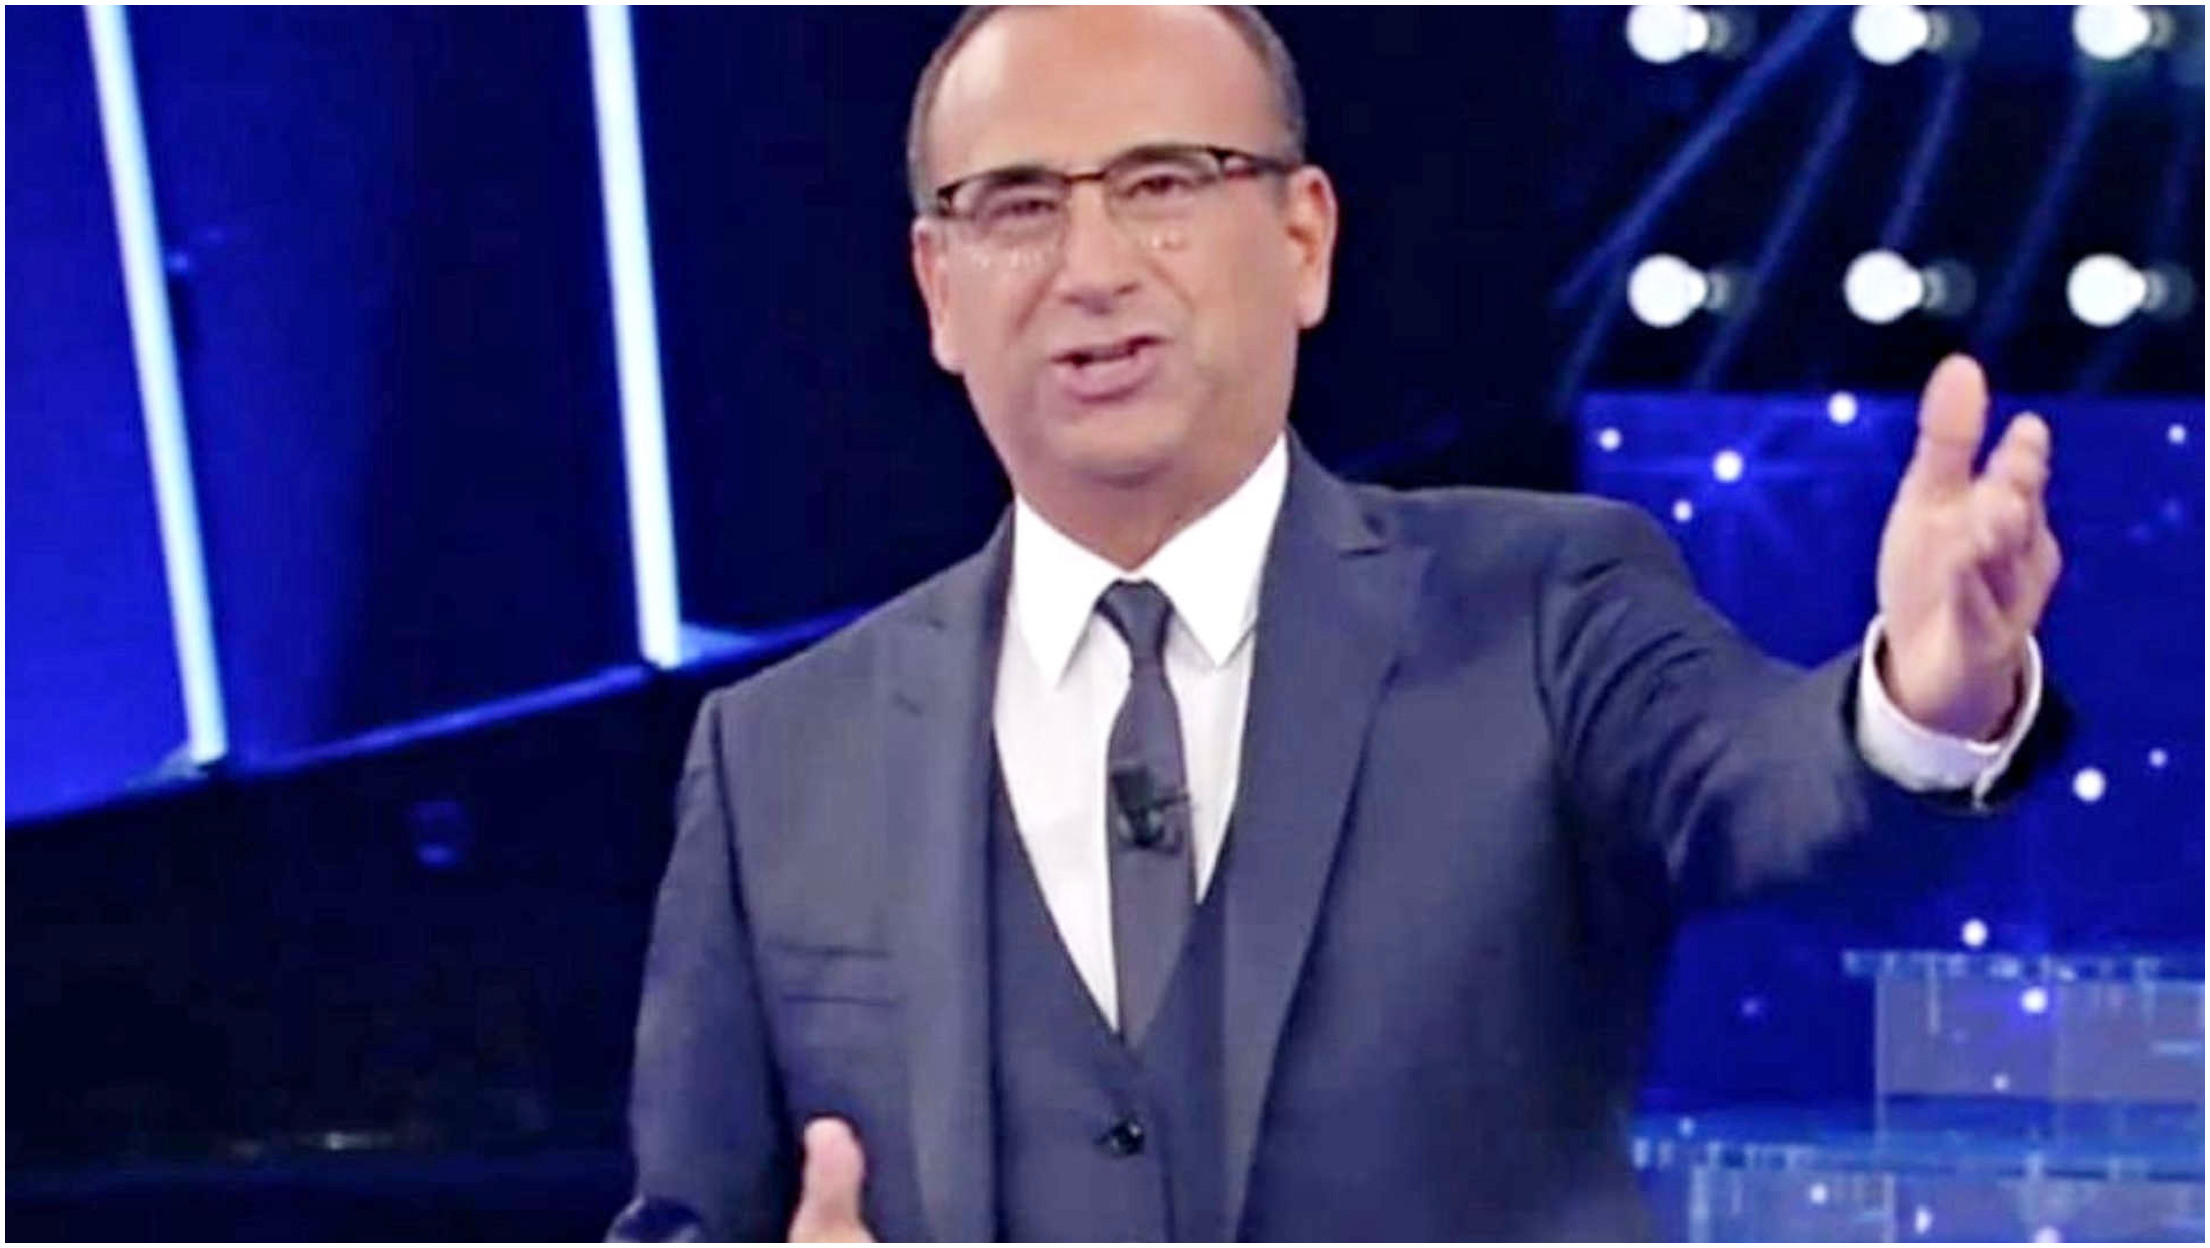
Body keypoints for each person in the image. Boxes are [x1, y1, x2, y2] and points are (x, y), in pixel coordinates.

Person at [611, 6, 2066, 1241]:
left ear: (1302, 239)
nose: (1092, 265)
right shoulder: (776, 754)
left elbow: (1769, 795)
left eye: (1164, 183)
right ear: (938, 289)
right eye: (1017, 206)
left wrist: (1922, 701)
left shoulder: (1547, 605)